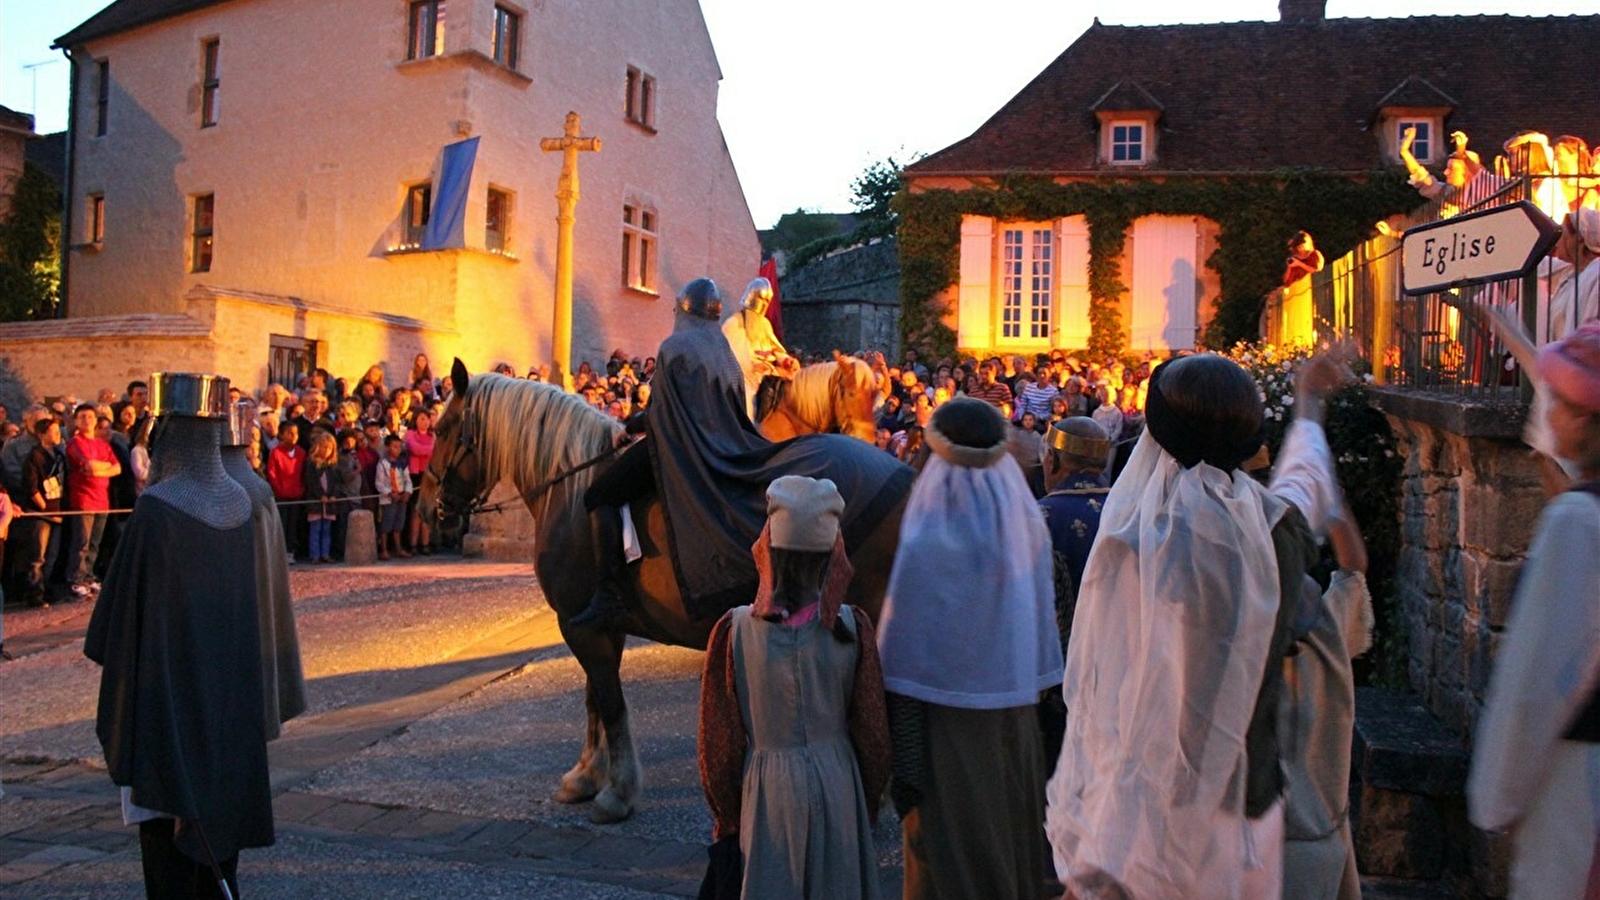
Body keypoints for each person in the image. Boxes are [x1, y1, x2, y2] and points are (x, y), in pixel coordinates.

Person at [1046, 350, 1348, 900]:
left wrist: (1099, 861)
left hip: (1155, 830)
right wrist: (1307, 409)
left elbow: (1134, 715)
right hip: (1250, 816)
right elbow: (1301, 485)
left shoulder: (1138, 547)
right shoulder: (1277, 533)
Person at [84, 376, 272, 900]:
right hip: (226, 699)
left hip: (168, 702)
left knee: (169, 863)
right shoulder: (237, 503)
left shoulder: (158, 510)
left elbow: (115, 624)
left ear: (171, 432)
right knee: (217, 842)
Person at [877, 397, 1063, 900]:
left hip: (946, 737)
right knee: (1005, 849)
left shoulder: (927, 544)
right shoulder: (1025, 536)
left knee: (950, 863)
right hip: (1014, 728)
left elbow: (903, 662)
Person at [697, 476, 890, 900]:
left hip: (769, 795)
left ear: (766, 550)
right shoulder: (853, 628)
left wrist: (729, 816)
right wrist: (867, 801)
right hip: (839, 784)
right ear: (834, 555)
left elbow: (720, 746)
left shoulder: (734, 632)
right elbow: (874, 736)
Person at [1468, 323, 1600, 899]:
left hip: (1579, 779)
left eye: (1560, 402)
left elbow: (1542, 679)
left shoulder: (1578, 522)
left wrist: (1497, 797)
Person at [1282, 506, 1372, 900]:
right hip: (1321, 836)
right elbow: (1353, 569)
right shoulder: (1326, 625)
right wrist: (1333, 504)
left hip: (1259, 843)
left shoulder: (1231, 639)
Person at [65, 403, 122, 600]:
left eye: (90, 416)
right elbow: (87, 467)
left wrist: (100, 468)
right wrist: (102, 467)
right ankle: (76, 579)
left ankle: (89, 575)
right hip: (83, 500)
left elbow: (117, 468)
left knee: (95, 544)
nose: (87, 420)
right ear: (76, 421)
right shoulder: (75, 443)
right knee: (81, 542)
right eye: (82, 417)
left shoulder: (102, 444)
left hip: (102, 500)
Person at [722, 277, 798, 423]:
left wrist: (786, 361)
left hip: (768, 377)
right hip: (744, 381)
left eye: (766, 301)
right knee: (748, 409)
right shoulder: (733, 324)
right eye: (761, 299)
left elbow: (775, 349)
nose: (764, 304)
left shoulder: (765, 324)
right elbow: (733, 359)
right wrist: (753, 367)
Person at [18, 416, 65, 607]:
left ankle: (47, 588)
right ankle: (35, 593)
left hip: (58, 509)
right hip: (41, 511)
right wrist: (41, 504)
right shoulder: (35, 455)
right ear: (41, 434)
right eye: (52, 432)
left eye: (57, 431)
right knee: (38, 556)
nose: (56, 435)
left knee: (52, 555)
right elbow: (30, 483)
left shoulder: (59, 455)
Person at [1549, 207, 1599, 341]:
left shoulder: (1596, 274)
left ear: (1579, 238)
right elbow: (1539, 264)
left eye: (1562, 234)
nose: (1557, 241)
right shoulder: (1569, 274)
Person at [266, 422, 305, 563]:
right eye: (289, 433)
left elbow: (303, 474)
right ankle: (279, 552)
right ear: (282, 434)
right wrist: (279, 490)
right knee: (281, 523)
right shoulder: (276, 452)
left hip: (296, 495)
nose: (293, 436)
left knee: (293, 525)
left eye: (295, 433)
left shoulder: (301, 452)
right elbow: (272, 473)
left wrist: (300, 490)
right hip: (281, 495)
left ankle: (290, 551)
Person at [303, 432, 340, 564]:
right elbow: (311, 482)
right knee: (315, 529)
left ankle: (325, 553)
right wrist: (320, 495)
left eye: (329, 448)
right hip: (316, 502)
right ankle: (315, 555)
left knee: (326, 530)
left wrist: (333, 495)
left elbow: (336, 482)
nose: (326, 451)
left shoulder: (332, 465)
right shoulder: (311, 463)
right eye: (323, 447)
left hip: (329, 503)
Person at [375, 435, 412, 560]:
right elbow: (379, 483)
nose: (398, 450)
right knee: (386, 524)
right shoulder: (382, 464)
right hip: (389, 498)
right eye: (395, 447)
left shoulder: (403, 463)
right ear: (387, 448)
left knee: (398, 524)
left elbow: (407, 479)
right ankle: (384, 549)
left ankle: (398, 548)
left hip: (401, 497)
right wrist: (390, 493)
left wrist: (407, 492)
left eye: (399, 447)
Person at [404, 409, 436, 554]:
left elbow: (436, 450)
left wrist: (428, 450)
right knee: (415, 510)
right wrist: (430, 450)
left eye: (427, 419)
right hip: (415, 474)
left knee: (427, 509)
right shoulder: (410, 434)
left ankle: (425, 543)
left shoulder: (433, 435)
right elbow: (414, 449)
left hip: (429, 474)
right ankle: (412, 543)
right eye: (422, 419)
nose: (425, 422)